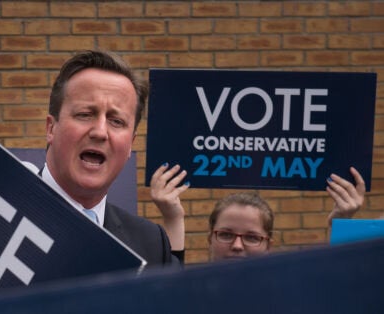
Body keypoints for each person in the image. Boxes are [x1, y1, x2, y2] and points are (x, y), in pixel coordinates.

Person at [42, 49, 184, 267]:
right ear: (51, 128)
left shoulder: (152, 244)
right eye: (85, 114)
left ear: (130, 144)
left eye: (116, 121)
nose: (100, 132)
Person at [151, 166, 367, 262]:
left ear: (269, 245)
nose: (237, 245)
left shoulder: (290, 300)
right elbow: (169, 276)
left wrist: (341, 223)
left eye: (252, 237)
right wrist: (173, 217)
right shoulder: (187, 297)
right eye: (226, 234)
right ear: (210, 239)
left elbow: (332, 287)